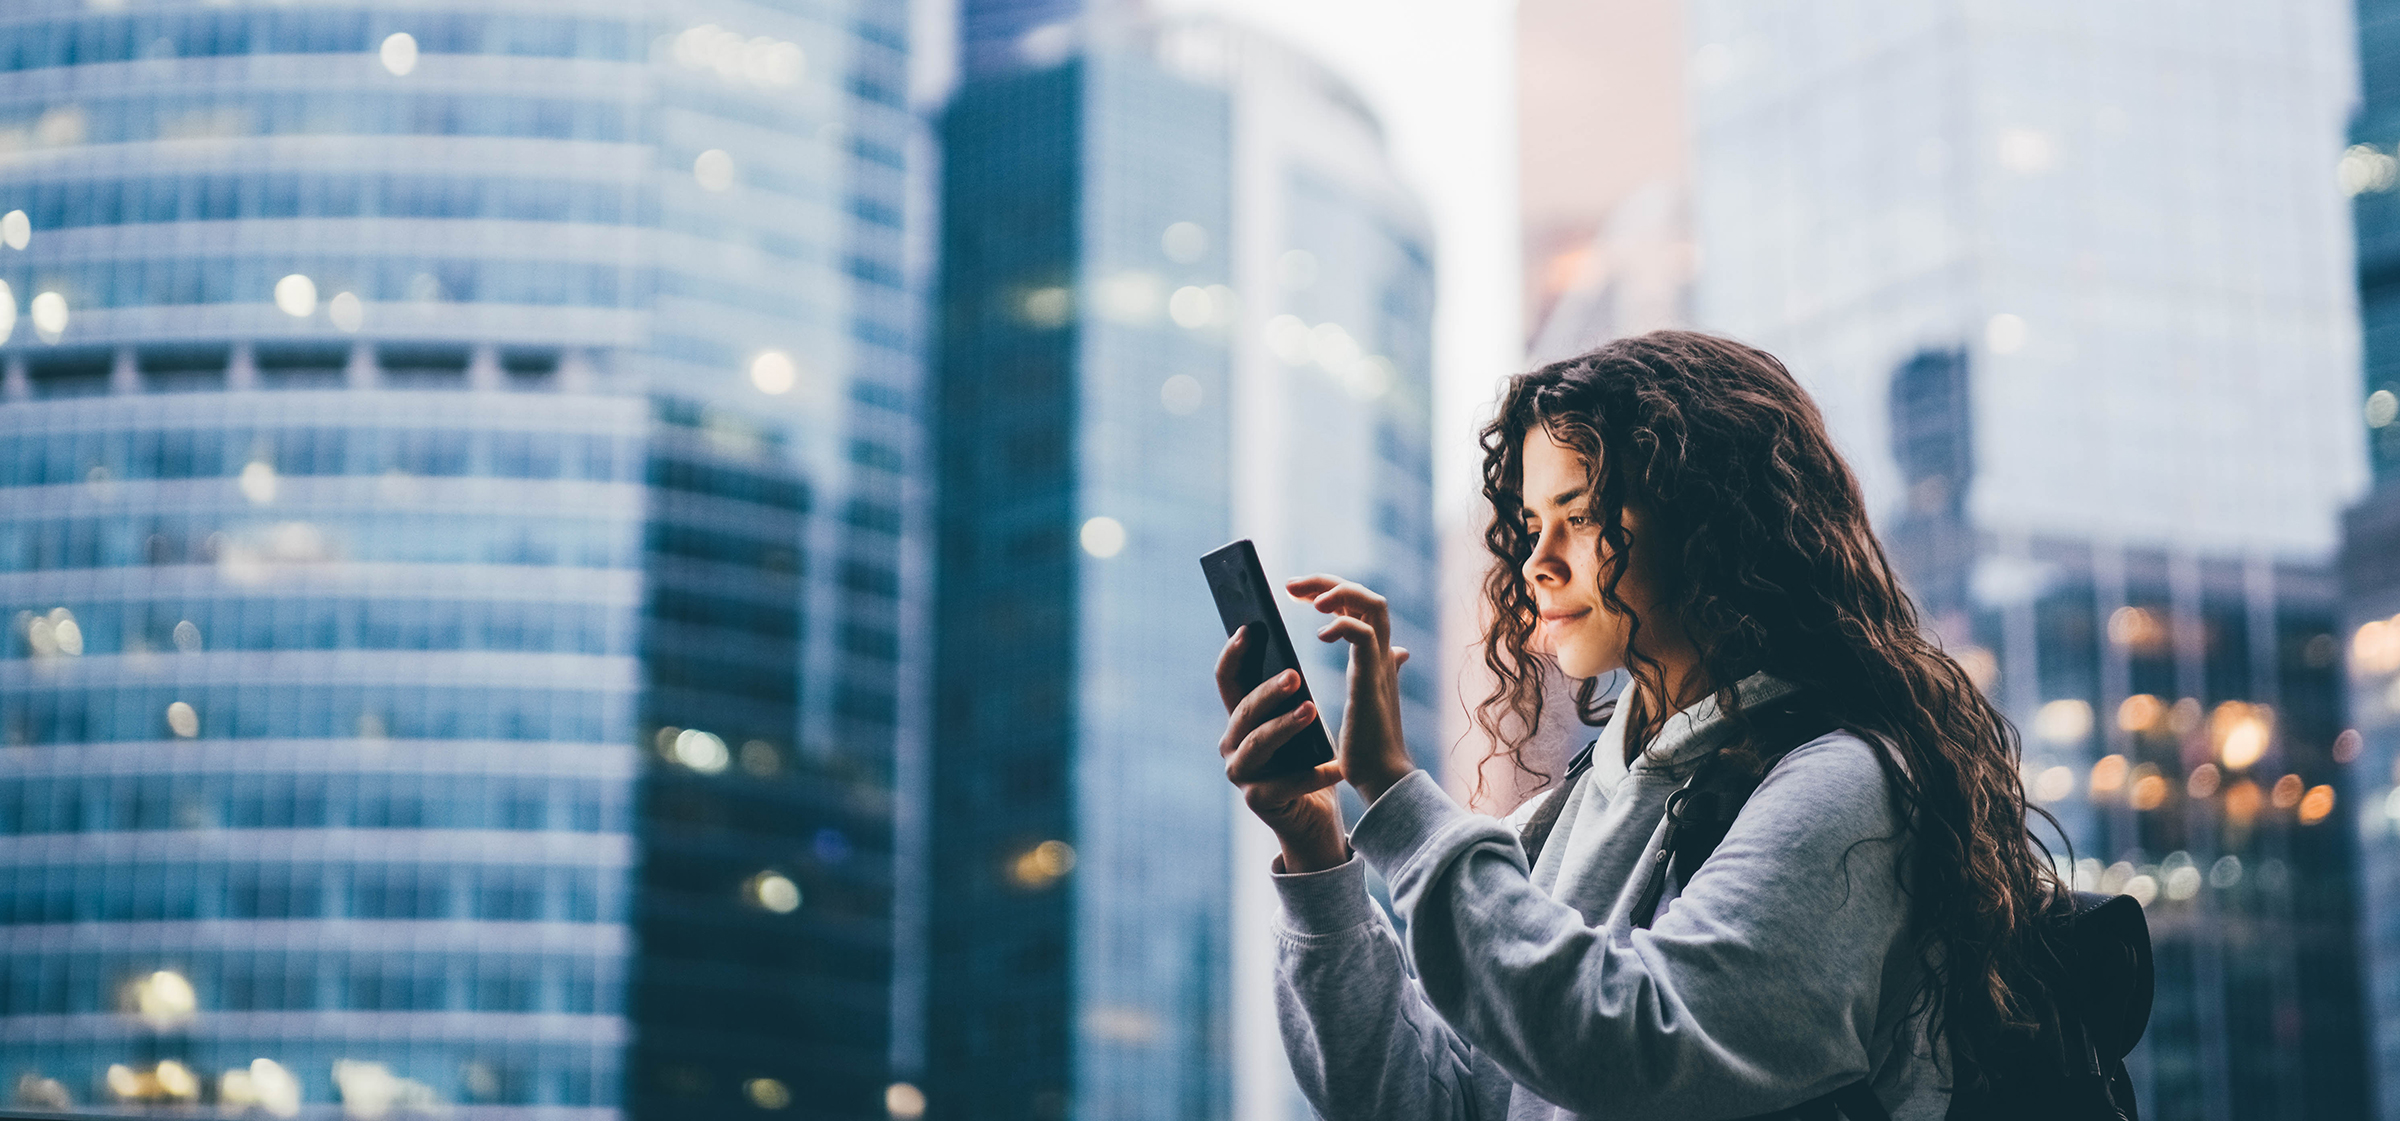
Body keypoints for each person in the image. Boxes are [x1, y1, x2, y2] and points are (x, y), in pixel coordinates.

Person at [1214, 331, 2063, 1120]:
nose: (1538, 561)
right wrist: (1318, 848)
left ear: (1711, 520)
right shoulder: (1565, 811)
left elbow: (1643, 1049)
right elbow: (1437, 1103)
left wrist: (1399, 797)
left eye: (1580, 516)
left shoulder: (1844, 786)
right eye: (1530, 524)